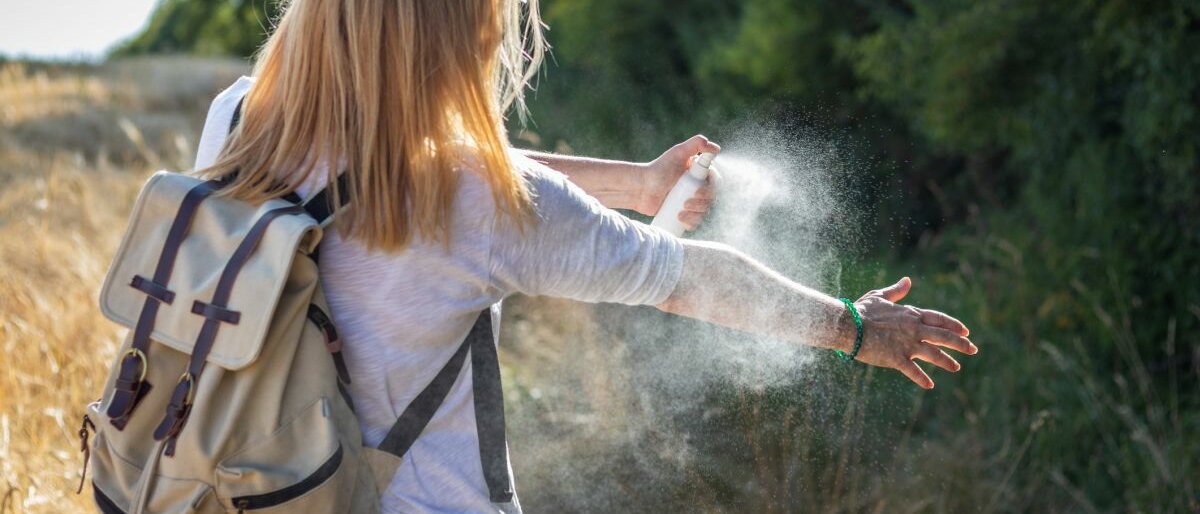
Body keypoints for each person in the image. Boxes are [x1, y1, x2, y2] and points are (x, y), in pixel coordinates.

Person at [193, 0, 976, 512]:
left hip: (245, 490)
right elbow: (692, 277)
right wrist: (855, 326)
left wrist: (638, 184)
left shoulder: (240, 117)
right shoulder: (477, 201)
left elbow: (436, 167)